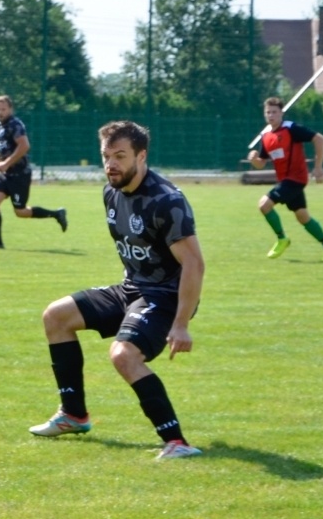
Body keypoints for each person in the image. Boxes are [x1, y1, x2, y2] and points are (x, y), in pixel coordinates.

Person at [30, 121, 205, 460]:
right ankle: (74, 416)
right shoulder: (110, 192)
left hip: (167, 297)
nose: (111, 164)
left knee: (123, 355)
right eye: (106, 156)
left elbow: (194, 265)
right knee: (56, 316)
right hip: (132, 289)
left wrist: (181, 323)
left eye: (120, 156)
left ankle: (177, 442)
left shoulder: (166, 201)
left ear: (142, 156)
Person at [247, 97, 323, 261]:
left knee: (264, 205)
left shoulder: (291, 129)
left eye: (274, 112)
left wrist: (318, 167)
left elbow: (320, 139)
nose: (271, 115)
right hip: (286, 181)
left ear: (281, 113)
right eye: (268, 112)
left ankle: (282, 238)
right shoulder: (266, 135)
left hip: (295, 178)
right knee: (302, 216)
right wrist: (254, 160)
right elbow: (261, 163)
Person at [0, 96, 67, 248]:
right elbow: (5, 149)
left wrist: (6, 163)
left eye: (3, 109)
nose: (0, 112)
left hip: (20, 175)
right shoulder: (0, 126)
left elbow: (24, 146)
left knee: (20, 212)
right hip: (6, 175)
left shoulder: (15, 124)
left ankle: (56, 214)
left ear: (10, 109)